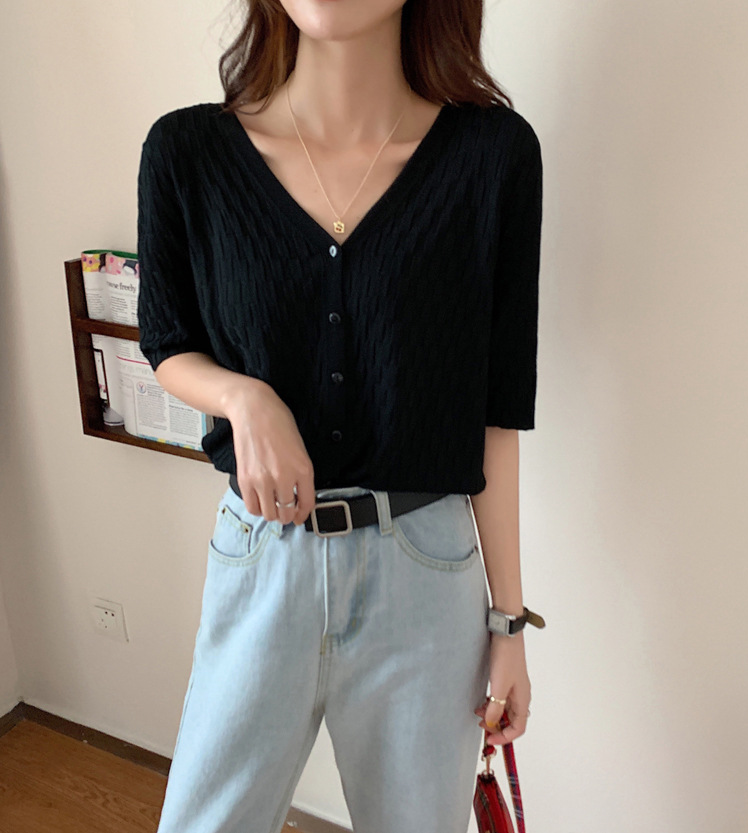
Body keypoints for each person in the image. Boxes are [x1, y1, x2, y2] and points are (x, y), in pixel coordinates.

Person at [136, 0, 544, 831]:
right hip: (262, 555)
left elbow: (495, 414)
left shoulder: (493, 156)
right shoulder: (186, 152)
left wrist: (507, 622)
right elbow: (168, 340)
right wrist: (243, 397)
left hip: (424, 571)